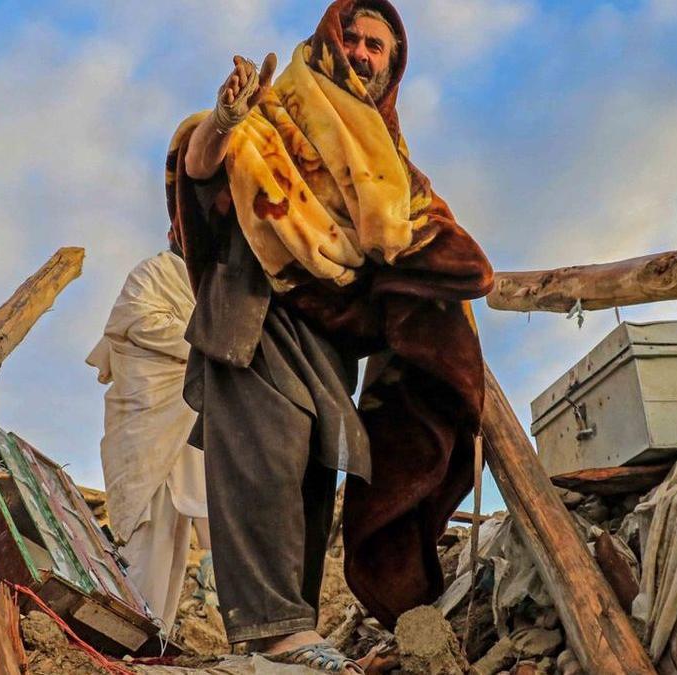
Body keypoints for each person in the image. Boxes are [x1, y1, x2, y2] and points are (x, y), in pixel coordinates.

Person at [166, 1, 493, 669]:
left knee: (314, 469)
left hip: (326, 338)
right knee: (265, 459)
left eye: (379, 47)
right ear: (328, 43)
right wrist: (225, 122)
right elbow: (199, 169)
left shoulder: (387, 162)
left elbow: (424, 237)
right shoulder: (274, 111)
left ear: (392, 68)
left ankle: (291, 633)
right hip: (254, 310)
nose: (365, 53)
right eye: (356, 38)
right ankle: (273, 630)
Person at [86, 249, 208, 634]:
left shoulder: (206, 286)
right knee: (145, 526)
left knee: (173, 534)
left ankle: (155, 636)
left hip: (179, 417)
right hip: (144, 410)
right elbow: (137, 319)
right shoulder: (157, 270)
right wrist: (207, 342)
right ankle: (128, 630)